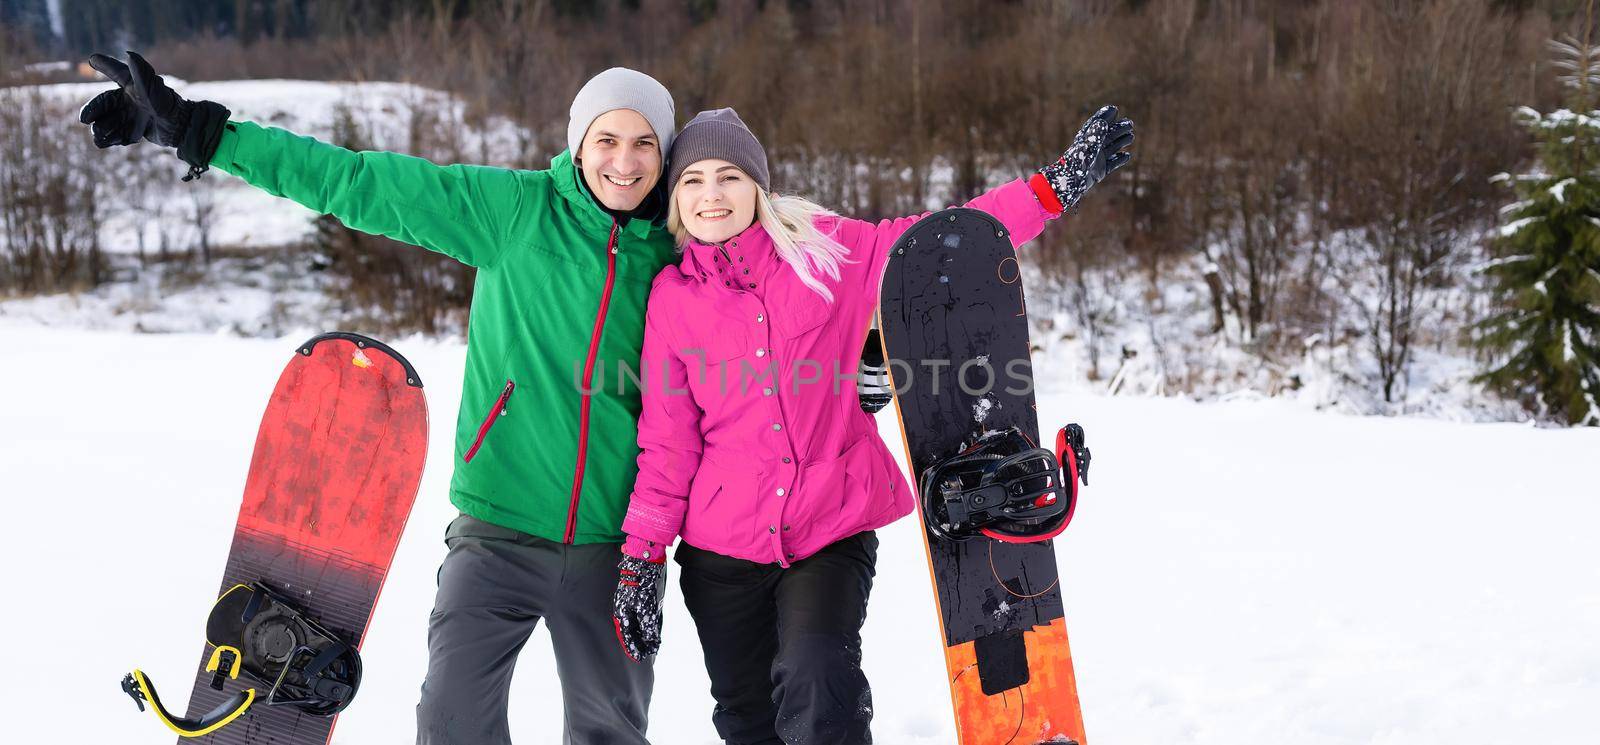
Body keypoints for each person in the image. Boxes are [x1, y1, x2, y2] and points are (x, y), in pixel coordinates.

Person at [78, 51, 682, 745]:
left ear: (664, 154)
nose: (625, 162)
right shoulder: (515, 211)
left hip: (618, 546)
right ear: (579, 143)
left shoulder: (680, 250)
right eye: (607, 139)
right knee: (452, 721)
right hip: (498, 530)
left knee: (614, 729)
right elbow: (359, 182)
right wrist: (205, 135)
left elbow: (768, 269)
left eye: (644, 143)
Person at [610, 106, 1133, 744]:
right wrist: (642, 558)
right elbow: (668, 442)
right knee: (746, 719)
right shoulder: (672, 297)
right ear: (675, 199)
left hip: (828, 527)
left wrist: (1051, 189)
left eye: (729, 177)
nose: (711, 195)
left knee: (819, 681)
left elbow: (945, 241)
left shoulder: (829, 255)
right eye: (692, 180)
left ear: (759, 189)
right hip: (720, 550)